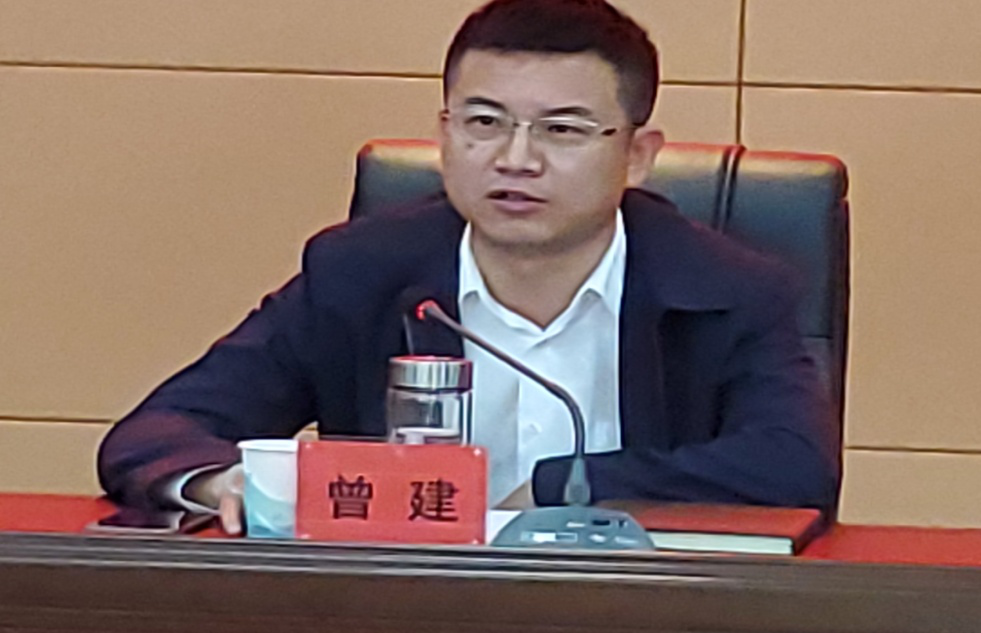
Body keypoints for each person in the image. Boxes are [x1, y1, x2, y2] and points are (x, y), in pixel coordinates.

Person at [98, 0, 840, 534]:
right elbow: (157, 430)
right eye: (484, 123)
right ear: (445, 133)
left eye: (562, 130)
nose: (516, 159)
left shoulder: (727, 289)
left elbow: (792, 465)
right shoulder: (360, 273)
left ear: (637, 156)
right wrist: (221, 480)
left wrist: (557, 488)